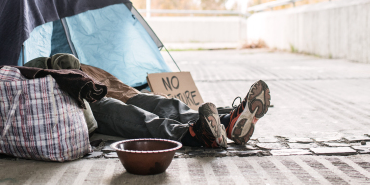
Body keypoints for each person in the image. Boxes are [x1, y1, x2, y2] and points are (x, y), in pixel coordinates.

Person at [26, 54, 271, 148]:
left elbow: (68, 62)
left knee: (157, 102)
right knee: (130, 115)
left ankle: (226, 122)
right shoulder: (18, 74)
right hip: (81, 103)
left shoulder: (68, 62)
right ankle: (191, 135)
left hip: (104, 88)